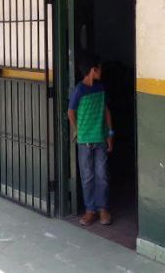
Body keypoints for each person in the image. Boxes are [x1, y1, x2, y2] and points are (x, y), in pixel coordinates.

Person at [68, 56, 114, 226]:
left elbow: (106, 111)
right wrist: (78, 130)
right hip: (85, 141)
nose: (101, 71)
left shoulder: (100, 88)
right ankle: (90, 210)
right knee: (87, 177)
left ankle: (103, 209)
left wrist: (110, 133)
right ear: (93, 70)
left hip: (100, 138)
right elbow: (70, 112)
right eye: (99, 68)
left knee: (102, 176)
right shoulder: (79, 90)